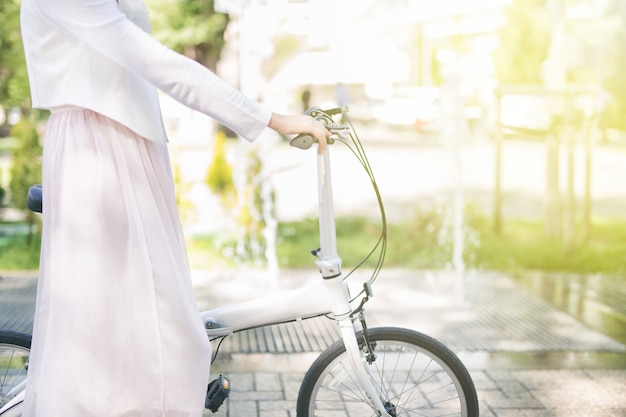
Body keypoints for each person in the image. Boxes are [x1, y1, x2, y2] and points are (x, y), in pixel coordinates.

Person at [19, 0, 330, 416]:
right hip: (100, 153)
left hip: (129, 146)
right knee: (123, 340)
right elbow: (155, 61)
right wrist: (271, 119)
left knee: (151, 330)